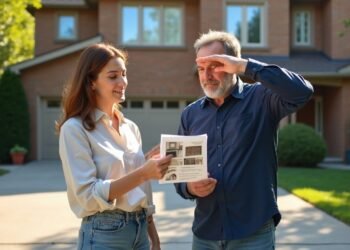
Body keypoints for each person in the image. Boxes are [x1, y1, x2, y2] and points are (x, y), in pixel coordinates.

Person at [175, 31, 314, 249]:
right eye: (202, 68)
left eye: (215, 65)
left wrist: (246, 66)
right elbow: (180, 175)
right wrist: (190, 188)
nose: (206, 75)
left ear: (232, 64)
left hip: (253, 233)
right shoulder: (191, 114)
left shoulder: (262, 98)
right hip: (205, 234)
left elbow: (302, 91)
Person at [57, 43, 172, 250]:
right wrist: (143, 173)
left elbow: (141, 191)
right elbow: (88, 196)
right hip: (104, 233)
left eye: (124, 74)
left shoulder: (131, 128)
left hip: (140, 230)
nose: (122, 82)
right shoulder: (74, 129)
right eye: (113, 76)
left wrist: (153, 236)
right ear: (91, 82)